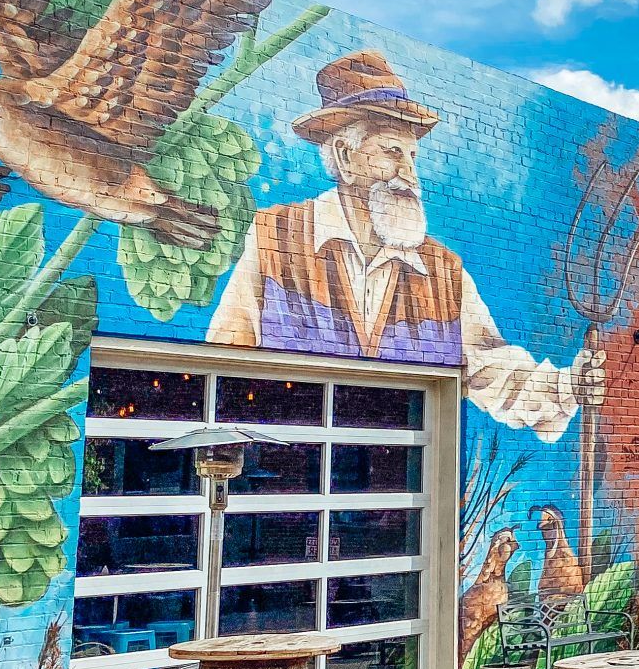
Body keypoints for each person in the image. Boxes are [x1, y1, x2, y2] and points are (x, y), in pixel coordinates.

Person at [208, 50, 599, 441]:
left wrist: (568, 387)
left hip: (400, 464)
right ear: (346, 157)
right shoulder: (275, 234)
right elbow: (229, 352)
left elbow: (488, 366)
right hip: (291, 462)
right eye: (392, 152)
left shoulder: (443, 270)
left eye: (412, 156)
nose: (409, 174)